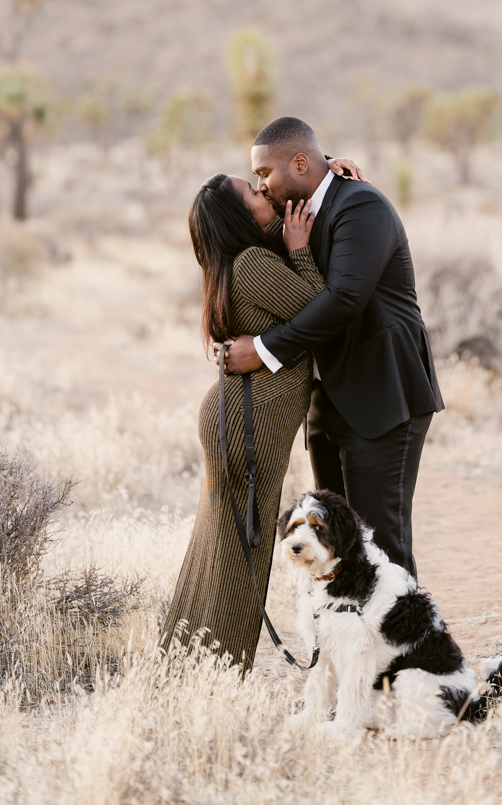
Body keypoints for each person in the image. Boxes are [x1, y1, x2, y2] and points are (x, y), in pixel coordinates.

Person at [223, 115, 443, 577]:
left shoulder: (360, 206)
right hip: (331, 401)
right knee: (338, 544)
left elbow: (343, 300)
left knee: (381, 547)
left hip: (383, 395)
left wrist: (262, 351)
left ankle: (409, 648)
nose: (261, 187)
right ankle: (352, 648)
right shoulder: (296, 213)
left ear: (300, 162)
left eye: (265, 173)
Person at [159, 160, 357, 670]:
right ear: (237, 215)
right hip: (252, 422)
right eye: (252, 190)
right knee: (237, 556)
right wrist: (296, 250)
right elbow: (322, 308)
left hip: (240, 414)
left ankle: (181, 668)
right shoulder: (250, 263)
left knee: (219, 547)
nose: (264, 191)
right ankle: (213, 678)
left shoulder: (238, 263)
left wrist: (325, 168)